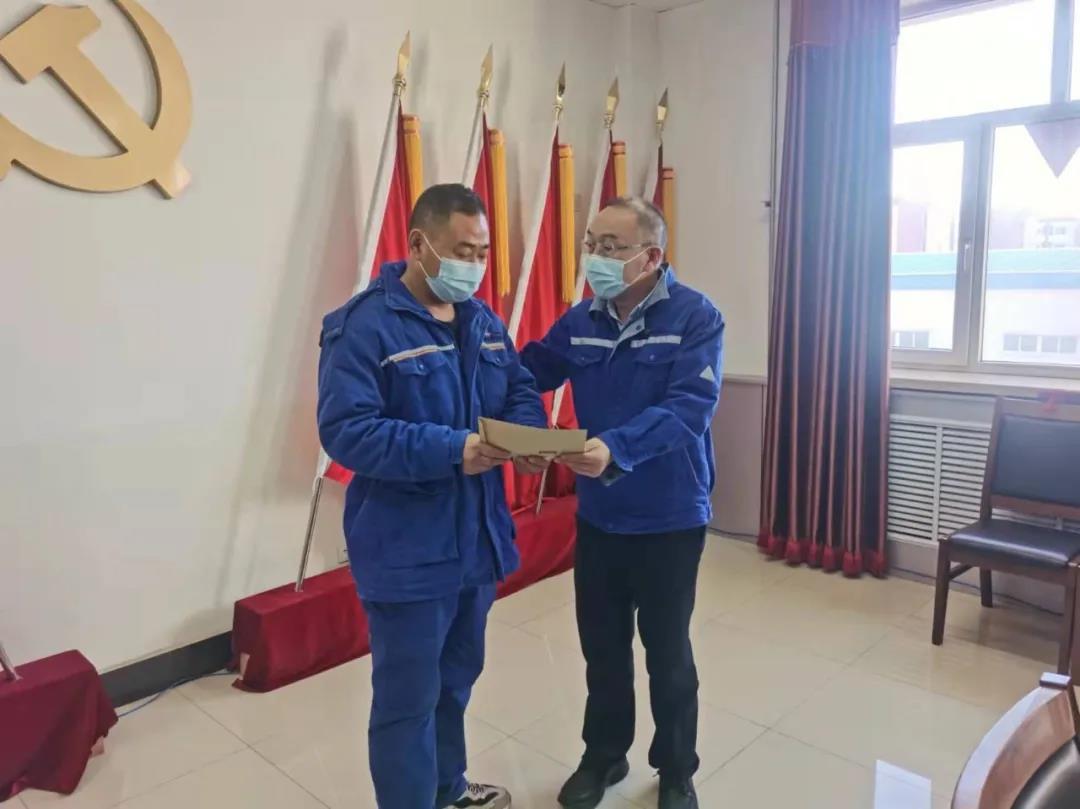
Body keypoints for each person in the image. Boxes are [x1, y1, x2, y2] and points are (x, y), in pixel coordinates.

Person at [317, 184, 549, 809]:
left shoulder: (482, 320)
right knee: (407, 703)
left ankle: (447, 789)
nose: (473, 265)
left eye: (482, 253)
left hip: (476, 544)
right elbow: (347, 432)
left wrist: (529, 438)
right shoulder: (364, 326)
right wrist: (454, 448)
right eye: (461, 251)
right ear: (418, 244)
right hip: (408, 553)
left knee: (454, 683)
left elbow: (519, 388)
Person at [521, 197, 724, 809]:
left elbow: (690, 409)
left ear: (651, 256)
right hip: (600, 516)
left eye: (611, 247)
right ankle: (604, 755)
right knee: (603, 648)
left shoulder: (696, 317)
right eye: (592, 244)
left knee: (668, 653)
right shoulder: (580, 319)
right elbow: (528, 373)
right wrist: (522, 432)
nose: (596, 257)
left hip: (669, 516)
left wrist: (616, 447)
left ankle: (677, 769)